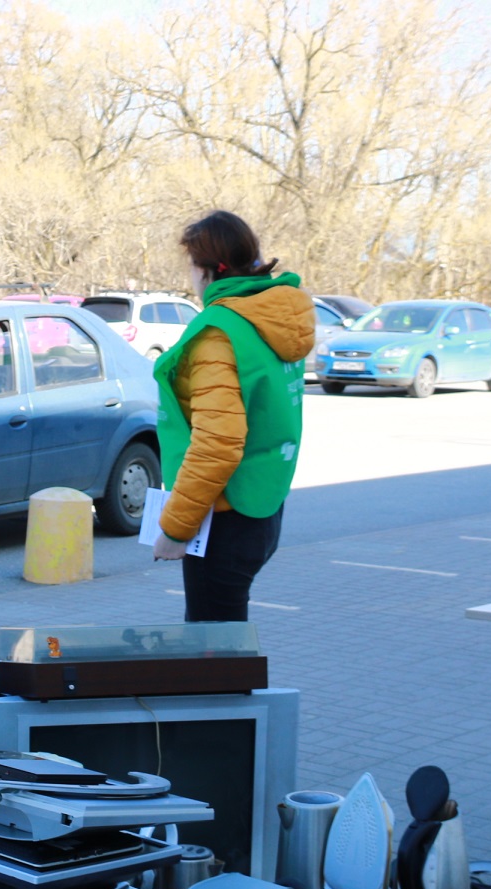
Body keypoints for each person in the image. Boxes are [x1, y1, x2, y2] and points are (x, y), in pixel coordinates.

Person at [151, 211, 314, 623]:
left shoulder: (220, 332)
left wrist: (175, 529)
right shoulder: (273, 315)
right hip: (262, 506)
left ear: (204, 269)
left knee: (214, 648)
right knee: (224, 642)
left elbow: (217, 444)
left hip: (223, 518)